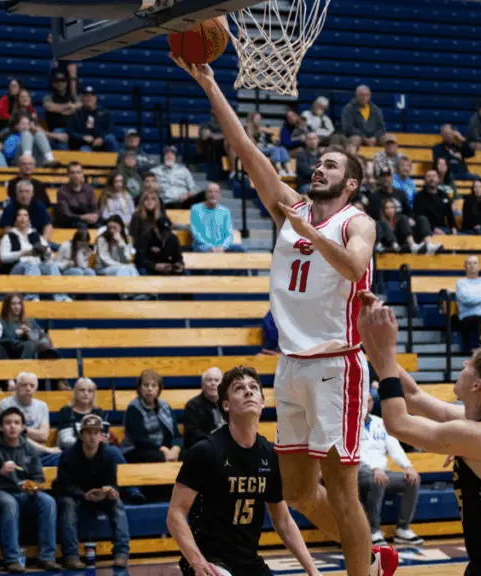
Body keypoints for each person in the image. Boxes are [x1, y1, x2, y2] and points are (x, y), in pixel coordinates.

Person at [173, 54, 396, 576]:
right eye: (319, 162)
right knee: (295, 490)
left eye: (332, 166)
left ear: (350, 183)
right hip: (291, 363)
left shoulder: (357, 222)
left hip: (337, 364)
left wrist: (312, 232)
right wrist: (209, 84)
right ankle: (371, 557)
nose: (319, 167)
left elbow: (354, 265)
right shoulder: (290, 208)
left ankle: (362, 569)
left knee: (341, 488)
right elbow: (248, 152)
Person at [355, 292, 481, 573]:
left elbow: (398, 423)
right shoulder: (477, 422)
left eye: (470, 364)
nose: (463, 365)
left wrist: (387, 350)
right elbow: (412, 396)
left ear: (477, 385)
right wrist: (367, 338)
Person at [168, 366, 320, 576]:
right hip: (208, 559)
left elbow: (283, 521)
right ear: (226, 405)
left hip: (248, 560)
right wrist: (197, 562)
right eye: (239, 388)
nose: (248, 391)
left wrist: (313, 570)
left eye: (253, 387)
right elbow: (175, 514)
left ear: (262, 401)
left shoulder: (270, 454)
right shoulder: (205, 451)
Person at [0, 407, 62, 573]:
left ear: (23, 427)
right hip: (1, 492)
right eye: (8, 423)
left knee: (48, 501)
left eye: (16, 423)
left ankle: (47, 557)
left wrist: (33, 486)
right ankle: (11, 559)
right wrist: (0, 473)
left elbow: (39, 478)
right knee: (9, 503)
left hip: (25, 493)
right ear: (1, 427)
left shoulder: (29, 449)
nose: (12, 426)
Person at [53, 414, 130, 569]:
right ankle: (71, 555)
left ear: (101, 435)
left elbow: (111, 482)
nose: (92, 437)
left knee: (116, 502)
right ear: (81, 435)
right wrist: (84, 495)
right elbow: (64, 485)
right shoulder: (68, 455)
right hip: (76, 496)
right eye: (88, 432)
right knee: (67, 504)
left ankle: (121, 553)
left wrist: (110, 491)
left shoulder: (109, 455)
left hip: (99, 496)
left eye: (96, 433)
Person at [357, 390, 422, 546]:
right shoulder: (348, 424)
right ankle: (373, 531)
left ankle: (403, 529)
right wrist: (374, 468)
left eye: (370, 401)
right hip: (359, 472)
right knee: (377, 480)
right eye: (364, 400)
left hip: (382, 472)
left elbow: (394, 446)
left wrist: (407, 466)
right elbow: (356, 452)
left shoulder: (380, 422)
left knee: (412, 480)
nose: (366, 404)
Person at [0, 207, 68, 302]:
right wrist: (23, 254)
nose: (22, 218)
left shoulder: (36, 235)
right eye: (19, 215)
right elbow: (3, 257)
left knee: (51, 266)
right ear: (15, 221)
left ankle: (61, 297)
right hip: (17, 267)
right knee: (31, 265)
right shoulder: (9, 236)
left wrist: (46, 253)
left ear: (29, 220)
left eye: (25, 215)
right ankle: (31, 297)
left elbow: (51, 256)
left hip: (37, 266)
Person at [0, 372, 62, 463]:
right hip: (16, 454)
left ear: (36, 388)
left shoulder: (42, 406)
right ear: (17, 386)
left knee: (64, 458)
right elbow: (13, 437)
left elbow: (44, 436)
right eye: (24, 385)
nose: (28, 388)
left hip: (39, 455)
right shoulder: (6, 404)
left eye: (32, 386)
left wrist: (23, 430)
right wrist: (46, 449)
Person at [121, 369, 183, 463]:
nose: (150, 389)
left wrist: (176, 449)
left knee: (188, 454)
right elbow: (140, 440)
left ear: (159, 389)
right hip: (137, 450)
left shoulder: (165, 406)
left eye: (154, 385)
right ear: (140, 388)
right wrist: (163, 449)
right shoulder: (133, 408)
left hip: (165, 449)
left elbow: (176, 435)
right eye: (146, 385)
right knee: (158, 457)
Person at [454, 255, 481, 353]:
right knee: (480, 319)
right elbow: (467, 300)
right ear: (465, 267)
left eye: (475, 263)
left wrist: (477, 299)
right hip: (468, 317)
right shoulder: (461, 283)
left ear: (479, 266)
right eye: (469, 263)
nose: (472, 265)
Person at [0, 294, 58, 361]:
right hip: (13, 353)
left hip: (34, 350)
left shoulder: (30, 321)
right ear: (7, 306)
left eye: (19, 303)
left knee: (44, 338)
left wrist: (28, 332)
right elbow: (3, 341)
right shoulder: (1, 323)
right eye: (13, 304)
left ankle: (48, 355)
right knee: (30, 344)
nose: (17, 307)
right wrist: (18, 334)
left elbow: (39, 336)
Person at [190, 183, 246, 252]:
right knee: (201, 248)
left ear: (219, 195)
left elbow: (229, 234)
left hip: (222, 246)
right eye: (210, 192)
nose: (213, 195)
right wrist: (211, 247)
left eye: (216, 192)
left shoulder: (225, 211)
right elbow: (195, 233)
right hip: (203, 246)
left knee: (241, 248)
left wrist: (223, 246)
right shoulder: (196, 209)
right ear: (205, 194)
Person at [56, 378, 109, 450]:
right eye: (82, 390)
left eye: (90, 391)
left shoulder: (98, 412)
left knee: (114, 452)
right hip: (72, 451)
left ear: (94, 394)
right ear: (75, 392)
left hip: (95, 450)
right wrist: (90, 442)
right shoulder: (66, 411)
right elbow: (65, 441)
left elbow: (103, 438)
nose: (86, 393)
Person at [181, 368, 226, 449]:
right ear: (203, 385)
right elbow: (192, 435)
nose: (213, 383)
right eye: (209, 380)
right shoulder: (193, 406)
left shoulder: (227, 404)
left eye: (216, 380)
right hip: (203, 448)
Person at [56, 162, 100, 229]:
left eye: (78, 172)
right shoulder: (62, 191)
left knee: (100, 225)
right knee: (82, 226)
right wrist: (82, 217)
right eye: (73, 173)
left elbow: (95, 207)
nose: (76, 176)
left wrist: (96, 215)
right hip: (71, 221)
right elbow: (66, 214)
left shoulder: (89, 189)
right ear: (68, 175)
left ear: (82, 174)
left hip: (87, 219)